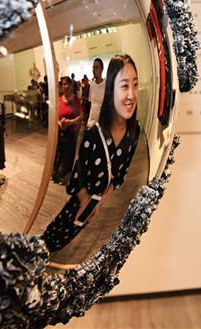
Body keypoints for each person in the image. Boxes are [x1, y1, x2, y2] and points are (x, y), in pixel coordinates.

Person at [42, 54, 141, 253]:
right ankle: (40, 249)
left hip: (96, 200)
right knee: (60, 227)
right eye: (124, 85)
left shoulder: (134, 131)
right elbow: (76, 176)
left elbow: (120, 175)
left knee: (74, 230)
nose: (131, 95)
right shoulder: (93, 136)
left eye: (135, 84)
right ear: (112, 89)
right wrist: (85, 199)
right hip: (82, 198)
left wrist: (100, 202)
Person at [51, 76, 83, 184]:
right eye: (64, 84)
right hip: (60, 131)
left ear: (71, 85)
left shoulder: (76, 99)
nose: (66, 86)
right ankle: (55, 174)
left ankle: (64, 175)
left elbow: (81, 116)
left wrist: (70, 122)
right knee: (58, 153)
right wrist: (60, 123)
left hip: (72, 131)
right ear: (61, 87)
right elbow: (55, 116)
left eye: (67, 84)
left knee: (68, 155)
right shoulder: (59, 100)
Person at [87, 58, 105, 127]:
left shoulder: (106, 85)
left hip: (102, 124)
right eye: (93, 68)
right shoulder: (92, 85)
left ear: (101, 69)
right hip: (91, 123)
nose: (94, 70)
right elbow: (91, 104)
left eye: (96, 68)